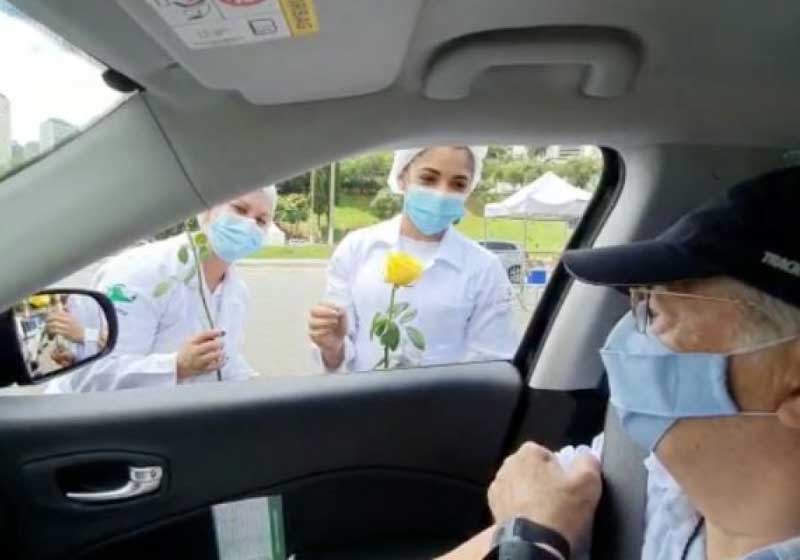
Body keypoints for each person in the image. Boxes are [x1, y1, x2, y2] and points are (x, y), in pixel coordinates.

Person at [441, 167, 800, 559]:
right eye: (640, 301)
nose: (623, 337)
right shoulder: (636, 471)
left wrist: (529, 544)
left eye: (660, 312)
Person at [47, 186, 277, 392]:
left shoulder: (236, 292)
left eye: (261, 221)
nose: (249, 225)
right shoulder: (143, 271)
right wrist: (176, 366)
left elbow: (227, 366)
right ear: (207, 209)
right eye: (239, 209)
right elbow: (92, 376)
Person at [308, 146, 518, 372]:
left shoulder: (483, 267)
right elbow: (337, 355)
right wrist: (331, 346)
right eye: (428, 179)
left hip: (444, 404)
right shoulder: (357, 248)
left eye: (458, 184)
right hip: (365, 401)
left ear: (469, 190)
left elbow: (492, 362)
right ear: (401, 177)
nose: (441, 194)